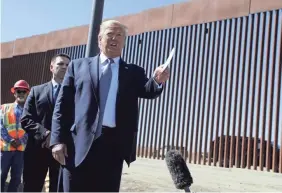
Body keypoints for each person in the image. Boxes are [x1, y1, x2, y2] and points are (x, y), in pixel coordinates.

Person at [50, 19, 170, 192]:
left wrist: (157, 81)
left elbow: (147, 90)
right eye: (110, 34)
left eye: (119, 35)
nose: (114, 38)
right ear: (99, 39)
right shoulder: (78, 66)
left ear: (124, 42)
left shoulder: (133, 72)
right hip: (78, 144)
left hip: (113, 147)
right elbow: (62, 106)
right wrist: (57, 141)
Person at [20, 53, 71, 192]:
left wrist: (58, 139)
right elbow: (26, 119)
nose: (64, 67)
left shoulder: (75, 93)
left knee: (58, 189)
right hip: (36, 150)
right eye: (61, 64)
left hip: (62, 152)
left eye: (67, 65)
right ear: (51, 67)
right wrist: (46, 134)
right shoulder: (37, 91)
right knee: (31, 188)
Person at [1, 80, 30, 192]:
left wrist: (22, 140)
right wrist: (10, 140)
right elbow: (1, 126)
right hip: (5, 149)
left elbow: (30, 128)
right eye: (19, 91)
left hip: (20, 150)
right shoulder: (4, 108)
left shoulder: (30, 110)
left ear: (27, 93)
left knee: (17, 178)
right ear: (14, 93)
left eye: (24, 91)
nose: (21, 94)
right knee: (1, 175)